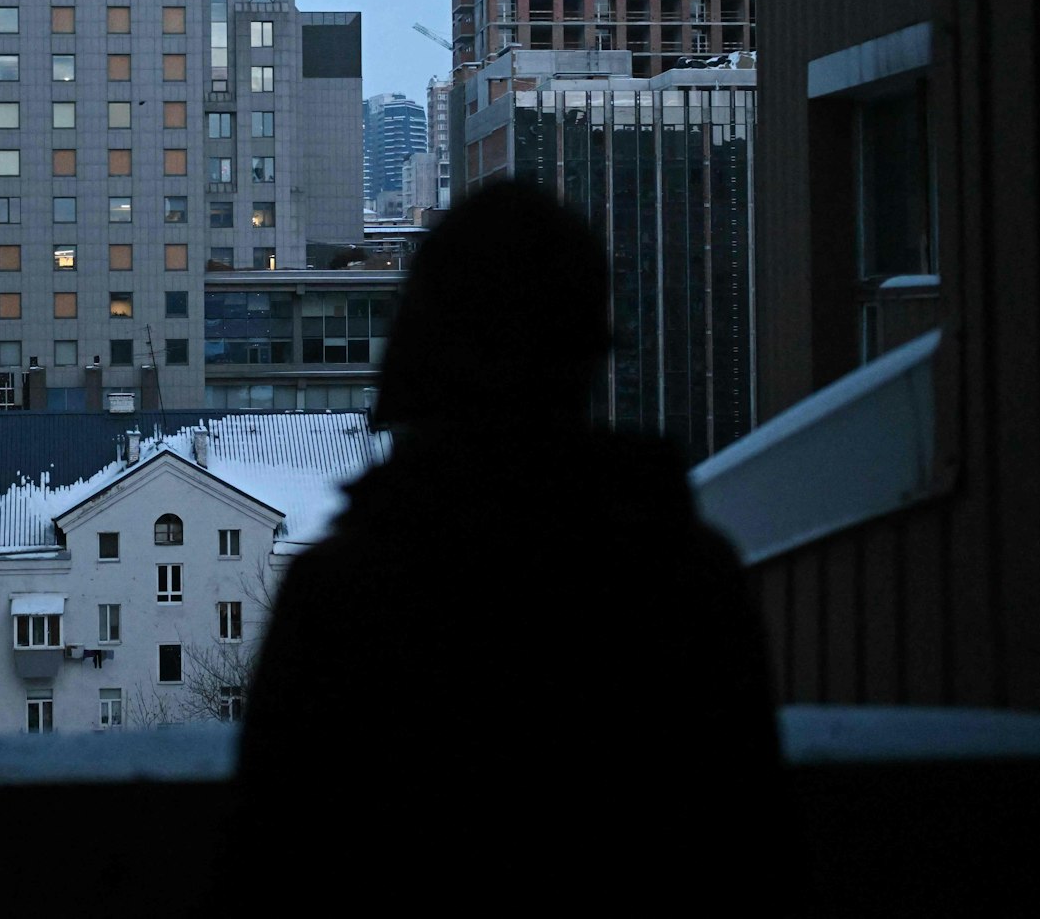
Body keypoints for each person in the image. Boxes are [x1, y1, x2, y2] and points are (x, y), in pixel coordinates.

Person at [235, 181, 793, 908]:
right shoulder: (685, 581)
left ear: (420, 362)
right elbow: (750, 851)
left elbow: (266, 865)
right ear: (584, 362)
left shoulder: (345, 594)